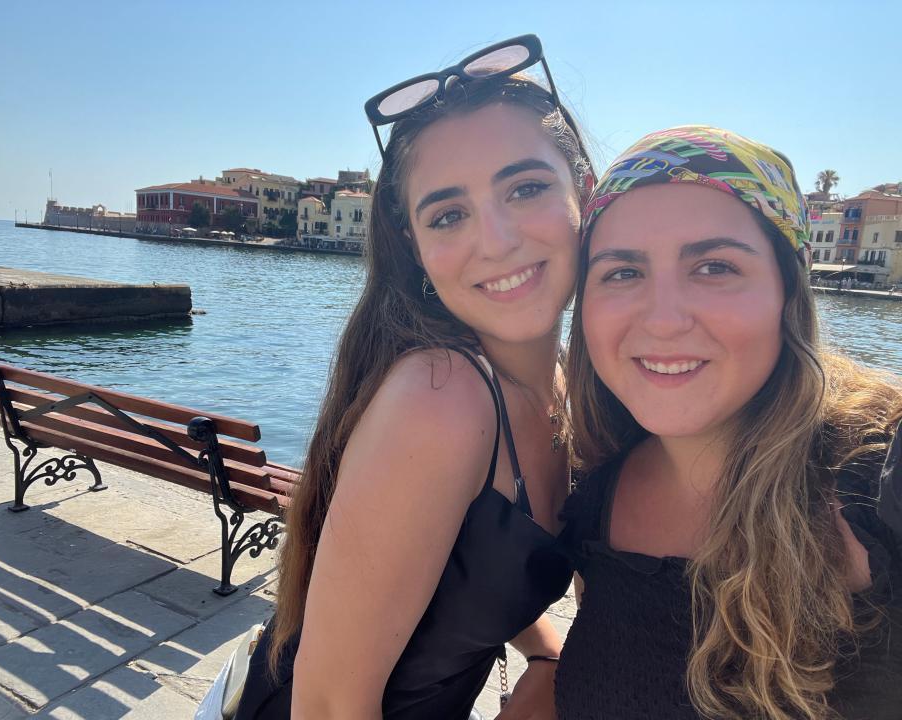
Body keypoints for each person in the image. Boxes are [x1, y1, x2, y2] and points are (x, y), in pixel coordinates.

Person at [234, 35, 595, 720]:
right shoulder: (443, 399)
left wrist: (547, 654)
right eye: (449, 214)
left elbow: (467, 565)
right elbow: (330, 705)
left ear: (585, 192)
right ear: (414, 245)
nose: (495, 239)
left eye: (525, 188)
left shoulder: (560, 388)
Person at [556, 126, 902, 720]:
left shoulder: (882, 473)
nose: (663, 320)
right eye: (622, 272)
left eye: (714, 267)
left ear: (789, 286)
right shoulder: (593, 495)